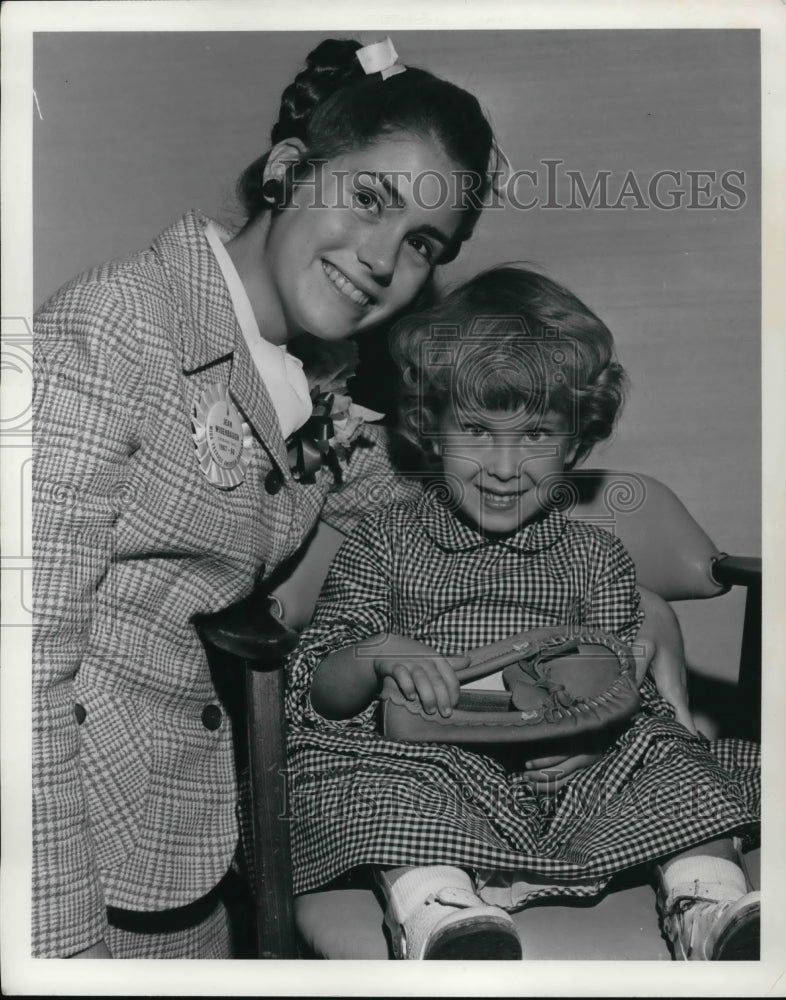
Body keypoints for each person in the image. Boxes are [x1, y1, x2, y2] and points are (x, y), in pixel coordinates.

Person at [32, 36, 498, 959]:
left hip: (191, 839)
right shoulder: (110, 331)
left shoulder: (310, 370)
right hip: (70, 857)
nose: (380, 260)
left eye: (420, 245)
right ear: (288, 171)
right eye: (369, 200)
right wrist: (58, 949)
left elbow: (388, 515)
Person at [285, 265, 761, 961]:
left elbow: (615, 681)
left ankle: (709, 903)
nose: (505, 466)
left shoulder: (595, 555)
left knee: (667, 755)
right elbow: (318, 697)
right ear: (429, 431)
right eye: (476, 430)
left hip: (567, 776)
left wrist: (592, 737)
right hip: (432, 770)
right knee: (356, 778)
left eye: (535, 434)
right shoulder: (381, 543)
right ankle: (440, 912)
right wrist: (379, 650)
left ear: (572, 443)